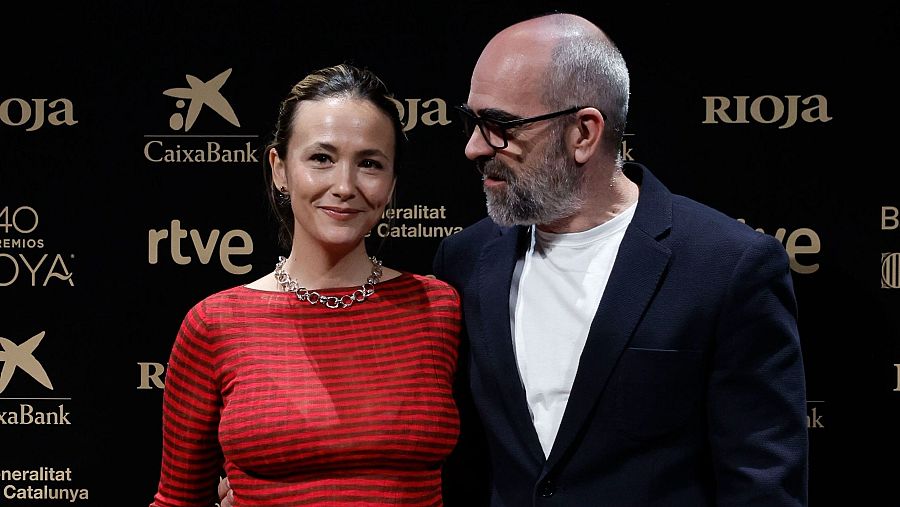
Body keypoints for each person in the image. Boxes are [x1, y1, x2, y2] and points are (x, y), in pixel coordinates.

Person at [221, 12, 809, 507]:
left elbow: (762, 486)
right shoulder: (465, 260)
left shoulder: (727, 266)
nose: (475, 147)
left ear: (584, 133)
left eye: (500, 126)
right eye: (472, 121)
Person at [150, 63, 462, 507]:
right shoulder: (215, 324)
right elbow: (178, 500)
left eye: (370, 164)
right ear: (280, 169)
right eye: (321, 158)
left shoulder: (439, 309)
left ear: (391, 185)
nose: (345, 185)